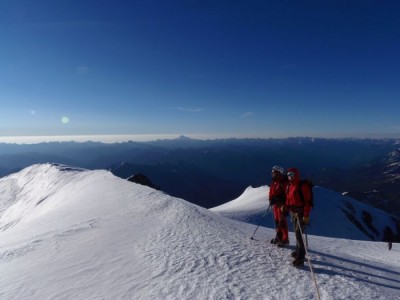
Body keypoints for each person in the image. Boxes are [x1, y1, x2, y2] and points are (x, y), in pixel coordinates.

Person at [285, 167, 312, 267]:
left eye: (291, 175)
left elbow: (308, 202)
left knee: (298, 234)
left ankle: (301, 256)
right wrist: (286, 207)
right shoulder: (289, 186)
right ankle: (297, 251)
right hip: (293, 212)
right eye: (288, 175)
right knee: (297, 233)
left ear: (296, 175)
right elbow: (288, 198)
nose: (289, 177)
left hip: (301, 213)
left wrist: (306, 215)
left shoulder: (302, 186)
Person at [268, 165, 289, 247]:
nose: (272, 173)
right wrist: (271, 199)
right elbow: (271, 191)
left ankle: (285, 239)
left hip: (282, 206)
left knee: (282, 222)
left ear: (278, 173)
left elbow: (287, 195)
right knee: (277, 221)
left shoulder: (284, 183)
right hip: (276, 205)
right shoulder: (275, 182)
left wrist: (282, 202)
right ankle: (278, 237)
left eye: (273, 172)